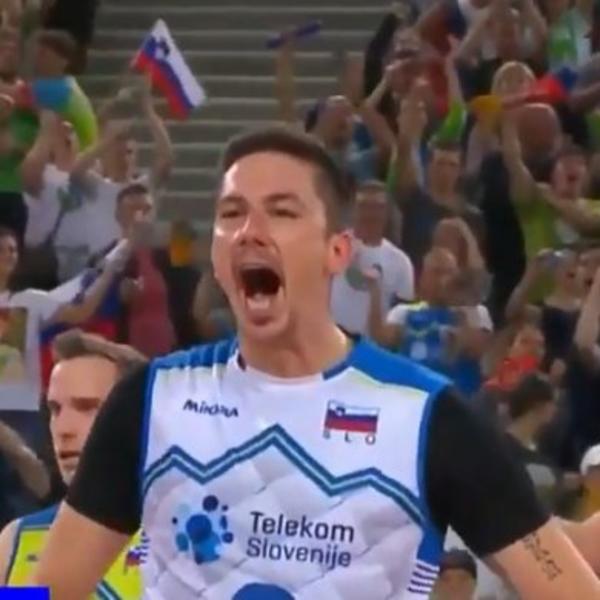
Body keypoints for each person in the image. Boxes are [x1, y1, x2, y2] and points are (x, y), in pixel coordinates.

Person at [32, 128, 600, 598]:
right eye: (232, 213)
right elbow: (42, 591)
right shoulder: (151, 401)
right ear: (217, 253)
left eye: (281, 212)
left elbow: (571, 589)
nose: (250, 232)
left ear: (337, 250)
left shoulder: (429, 416)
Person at [0, 329, 146, 595]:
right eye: (55, 409)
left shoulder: (183, 536)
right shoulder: (18, 540)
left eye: (87, 407)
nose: (64, 428)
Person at [331, 179, 414, 336]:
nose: (370, 214)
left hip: (371, 344)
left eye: (377, 207)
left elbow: (402, 317)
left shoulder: (400, 262)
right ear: (354, 209)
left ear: (387, 212)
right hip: (333, 339)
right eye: (364, 206)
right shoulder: (333, 246)